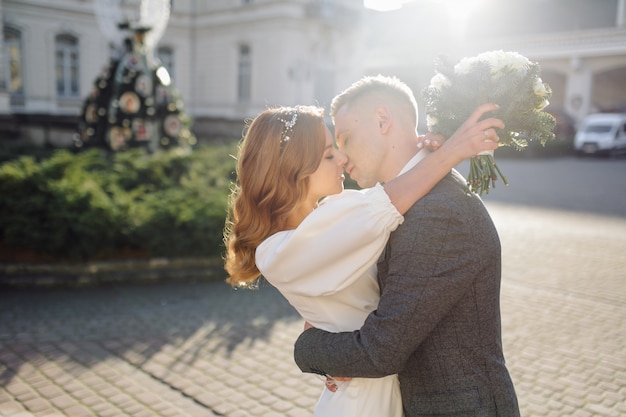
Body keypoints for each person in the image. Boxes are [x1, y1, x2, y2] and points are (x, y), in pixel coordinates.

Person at [224, 99, 503, 417]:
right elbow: (385, 204)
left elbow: (386, 203)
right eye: (329, 154)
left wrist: (423, 153)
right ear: (294, 171)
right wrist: (449, 152)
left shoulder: (332, 212)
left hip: (384, 389)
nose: (342, 158)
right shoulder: (278, 251)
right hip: (362, 402)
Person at [292, 75, 521, 416]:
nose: (340, 157)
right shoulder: (406, 200)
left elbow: (380, 350)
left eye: (346, 138)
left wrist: (309, 347)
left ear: (383, 120)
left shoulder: (438, 213)